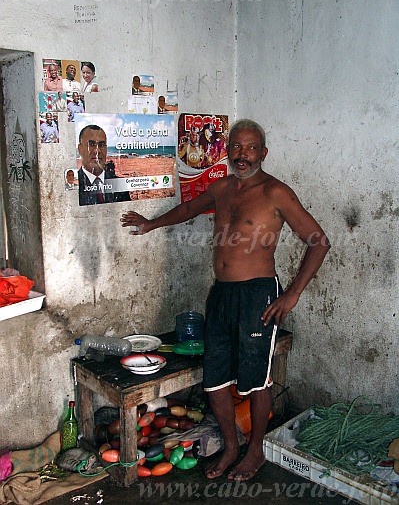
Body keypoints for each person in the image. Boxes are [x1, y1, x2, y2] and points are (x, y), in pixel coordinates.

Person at [120, 118, 330, 481]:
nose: (242, 154)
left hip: (257, 295)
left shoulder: (276, 192)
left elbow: (319, 241)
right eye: (236, 147)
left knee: (256, 378)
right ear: (227, 150)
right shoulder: (221, 188)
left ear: (263, 153)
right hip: (221, 295)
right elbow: (187, 210)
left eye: (250, 148)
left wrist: (291, 295)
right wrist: (151, 224)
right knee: (215, 378)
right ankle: (231, 446)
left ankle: (256, 451)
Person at [78, 124, 131, 206]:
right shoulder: (76, 184)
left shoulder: (119, 184)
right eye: (91, 144)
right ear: (80, 149)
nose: (97, 150)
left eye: (101, 145)